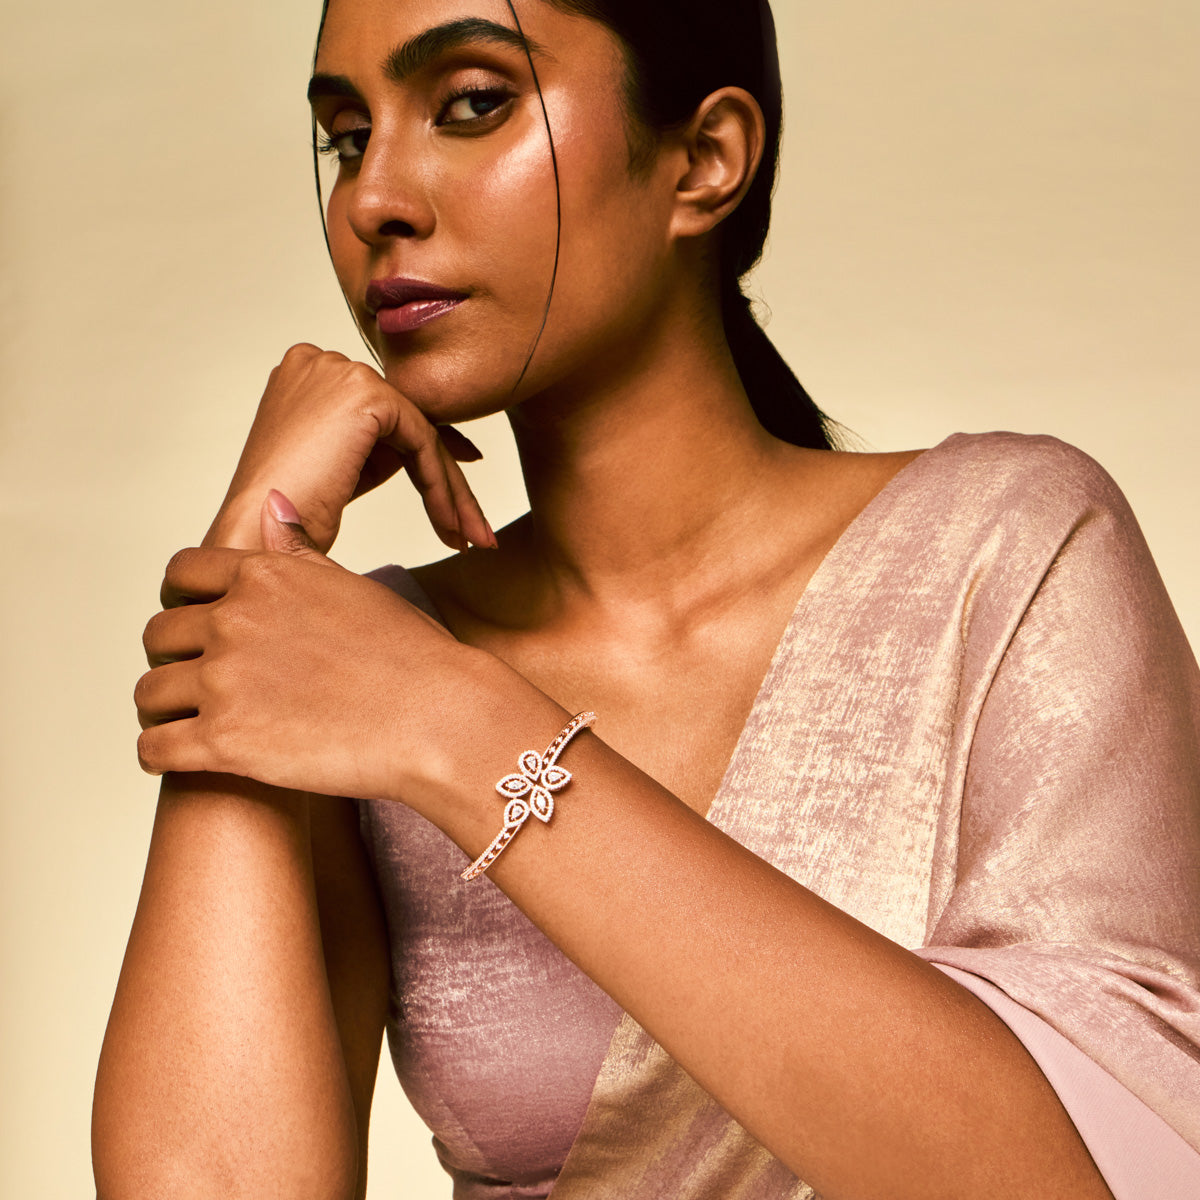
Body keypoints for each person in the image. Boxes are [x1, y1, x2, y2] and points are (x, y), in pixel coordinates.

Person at [92, 1, 1200, 1197]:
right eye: (348, 137)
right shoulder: (346, 665)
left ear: (705, 158)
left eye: (472, 104)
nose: (373, 199)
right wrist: (254, 562)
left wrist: (457, 730)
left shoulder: (1006, 553)